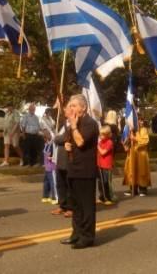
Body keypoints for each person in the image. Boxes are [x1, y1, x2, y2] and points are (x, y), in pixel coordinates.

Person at [60, 94, 99, 249]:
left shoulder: (90, 123)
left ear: (83, 107)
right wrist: (67, 145)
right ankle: (76, 234)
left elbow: (81, 142)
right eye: (70, 106)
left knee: (86, 206)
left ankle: (87, 237)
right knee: (75, 205)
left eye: (74, 106)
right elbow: (68, 140)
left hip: (85, 170)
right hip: (73, 168)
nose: (71, 109)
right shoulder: (73, 123)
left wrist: (74, 126)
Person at [51, 104, 73, 218]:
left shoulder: (74, 125)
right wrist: (59, 138)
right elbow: (58, 138)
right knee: (61, 184)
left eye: (67, 108)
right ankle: (62, 205)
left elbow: (61, 138)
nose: (64, 110)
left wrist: (59, 138)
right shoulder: (64, 124)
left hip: (68, 158)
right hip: (60, 158)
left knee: (69, 184)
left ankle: (70, 207)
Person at [123, 117, 151, 196]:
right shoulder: (130, 130)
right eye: (139, 120)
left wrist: (135, 138)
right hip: (132, 153)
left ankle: (142, 189)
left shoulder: (143, 130)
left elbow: (145, 141)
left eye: (141, 120)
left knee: (141, 171)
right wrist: (127, 140)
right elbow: (125, 142)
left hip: (141, 154)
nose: (140, 122)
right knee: (131, 170)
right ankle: (133, 188)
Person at [97, 125, 115, 204]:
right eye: (100, 134)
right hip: (100, 165)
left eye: (102, 135)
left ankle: (108, 198)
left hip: (107, 166)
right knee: (100, 182)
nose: (100, 136)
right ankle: (102, 197)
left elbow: (103, 152)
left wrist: (97, 146)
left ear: (107, 135)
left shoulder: (109, 142)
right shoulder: (101, 142)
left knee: (106, 182)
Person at [42, 135, 58, 204]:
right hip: (52, 167)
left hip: (47, 167)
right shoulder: (51, 145)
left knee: (46, 182)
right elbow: (52, 156)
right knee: (52, 183)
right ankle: (54, 198)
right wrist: (51, 157)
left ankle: (45, 197)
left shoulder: (46, 145)